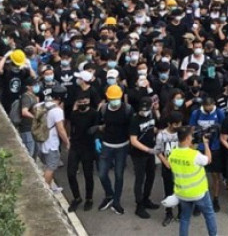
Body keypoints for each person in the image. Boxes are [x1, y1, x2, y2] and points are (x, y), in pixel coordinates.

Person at [168, 125, 217, 236]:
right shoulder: (195, 155)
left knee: (185, 218)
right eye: (191, 135)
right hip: (198, 192)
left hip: (182, 193)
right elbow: (208, 160)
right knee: (209, 214)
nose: (192, 137)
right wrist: (205, 144)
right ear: (186, 138)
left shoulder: (173, 153)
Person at [96, 84, 132, 215]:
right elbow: (98, 125)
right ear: (108, 98)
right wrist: (97, 139)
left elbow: (131, 127)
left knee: (119, 175)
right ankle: (109, 194)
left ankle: (116, 201)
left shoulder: (127, 109)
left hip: (122, 146)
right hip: (107, 145)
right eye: (112, 98)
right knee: (102, 174)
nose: (115, 101)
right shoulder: (104, 109)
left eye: (117, 98)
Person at [129, 96, 160, 219]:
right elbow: (133, 140)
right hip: (139, 154)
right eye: (142, 109)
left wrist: (157, 111)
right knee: (140, 179)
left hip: (150, 152)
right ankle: (139, 205)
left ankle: (146, 198)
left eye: (147, 108)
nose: (144, 111)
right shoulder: (135, 120)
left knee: (151, 176)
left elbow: (157, 126)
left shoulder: (151, 115)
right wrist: (148, 149)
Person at [66, 91, 98, 213]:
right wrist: (69, 139)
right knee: (71, 173)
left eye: (85, 100)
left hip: (88, 147)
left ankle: (89, 199)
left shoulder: (94, 114)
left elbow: (96, 129)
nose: (82, 103)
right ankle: (77, 198)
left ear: (89, 101)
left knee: (88, 175)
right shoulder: (74, 114)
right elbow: (71, 127)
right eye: (80, 101)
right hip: (75, 146)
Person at [38, 84, 69, 193]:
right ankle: (45, 191)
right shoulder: (57, 111)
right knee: (50, 167)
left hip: (40, 139)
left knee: (46, 165)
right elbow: (61, 129)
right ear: (60, 98)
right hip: (51, 143)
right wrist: (67, 142)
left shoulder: (41, 105)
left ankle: (51, 187)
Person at [156, 112, 184, 227]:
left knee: (181, 190)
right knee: (168, 191)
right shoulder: (161, 135)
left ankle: (182, 213)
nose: (178, 126)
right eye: (176, 124)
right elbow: (158, 151)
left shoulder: (182, 133)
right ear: (169, 124)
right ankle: (169, 214)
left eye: (180, 124)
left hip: (181, 167)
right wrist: (165, 162)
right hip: (168, 167)